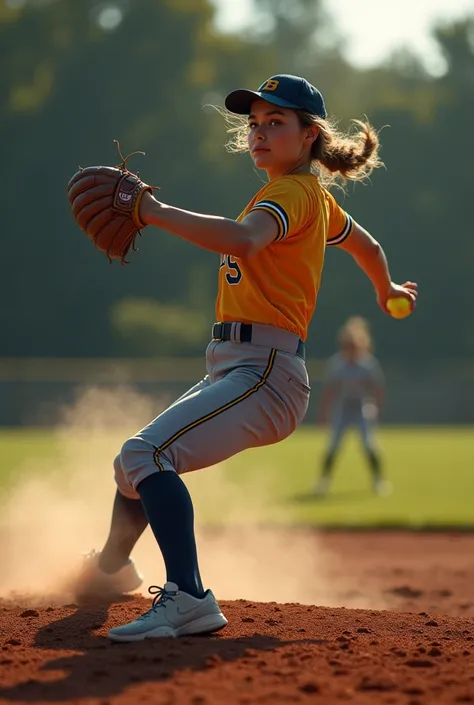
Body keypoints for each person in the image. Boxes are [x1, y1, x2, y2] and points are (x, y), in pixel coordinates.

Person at [77, 74, 418, 641]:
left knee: (145, 455)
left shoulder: (291, 195)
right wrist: (386, 290)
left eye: (276, 123)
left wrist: (153, 211)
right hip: (244, 367)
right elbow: (368, 246)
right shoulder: (314, 198)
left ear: (310, 135)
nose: (259, 133)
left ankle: (188, 596)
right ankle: (111, 571)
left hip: (265, 372)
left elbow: (241, 240)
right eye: (255, 124)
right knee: (132, 466)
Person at [314, 316, 390, 497]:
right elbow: (329, 391)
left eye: (354, 344)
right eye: (347, 344)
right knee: (333, 445)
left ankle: (378, 480)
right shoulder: (337, 364)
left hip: (361, 407)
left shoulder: (368, 364)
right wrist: (324, 412)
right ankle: (323, 481)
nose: (350, 348)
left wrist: (377, 408)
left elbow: (377, 388)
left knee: (368, 444)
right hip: (343, 408)